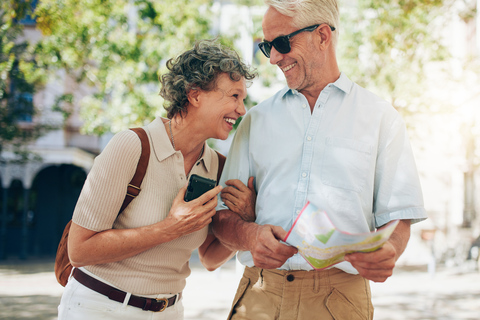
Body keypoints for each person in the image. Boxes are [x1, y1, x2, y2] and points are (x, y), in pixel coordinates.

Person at [213, 1, 428, 319]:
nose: (273, 58)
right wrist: (248, 235)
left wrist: (390, 250)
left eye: (282, 43)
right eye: (267, 46)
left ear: (323, 36)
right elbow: (221, 218)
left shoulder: (381, 118)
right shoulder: (255, 121)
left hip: (339, 300)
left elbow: (399, 218)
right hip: (258, 295)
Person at [57, 39, 256, 320]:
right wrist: (168, 229)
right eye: (234, 96)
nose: (242, 109)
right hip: (100, 307)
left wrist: (245, 218)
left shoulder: (217, 167)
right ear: (195, 95)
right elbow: (78, 250)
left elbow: (210, 257)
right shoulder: (132, 146)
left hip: (169, 311)